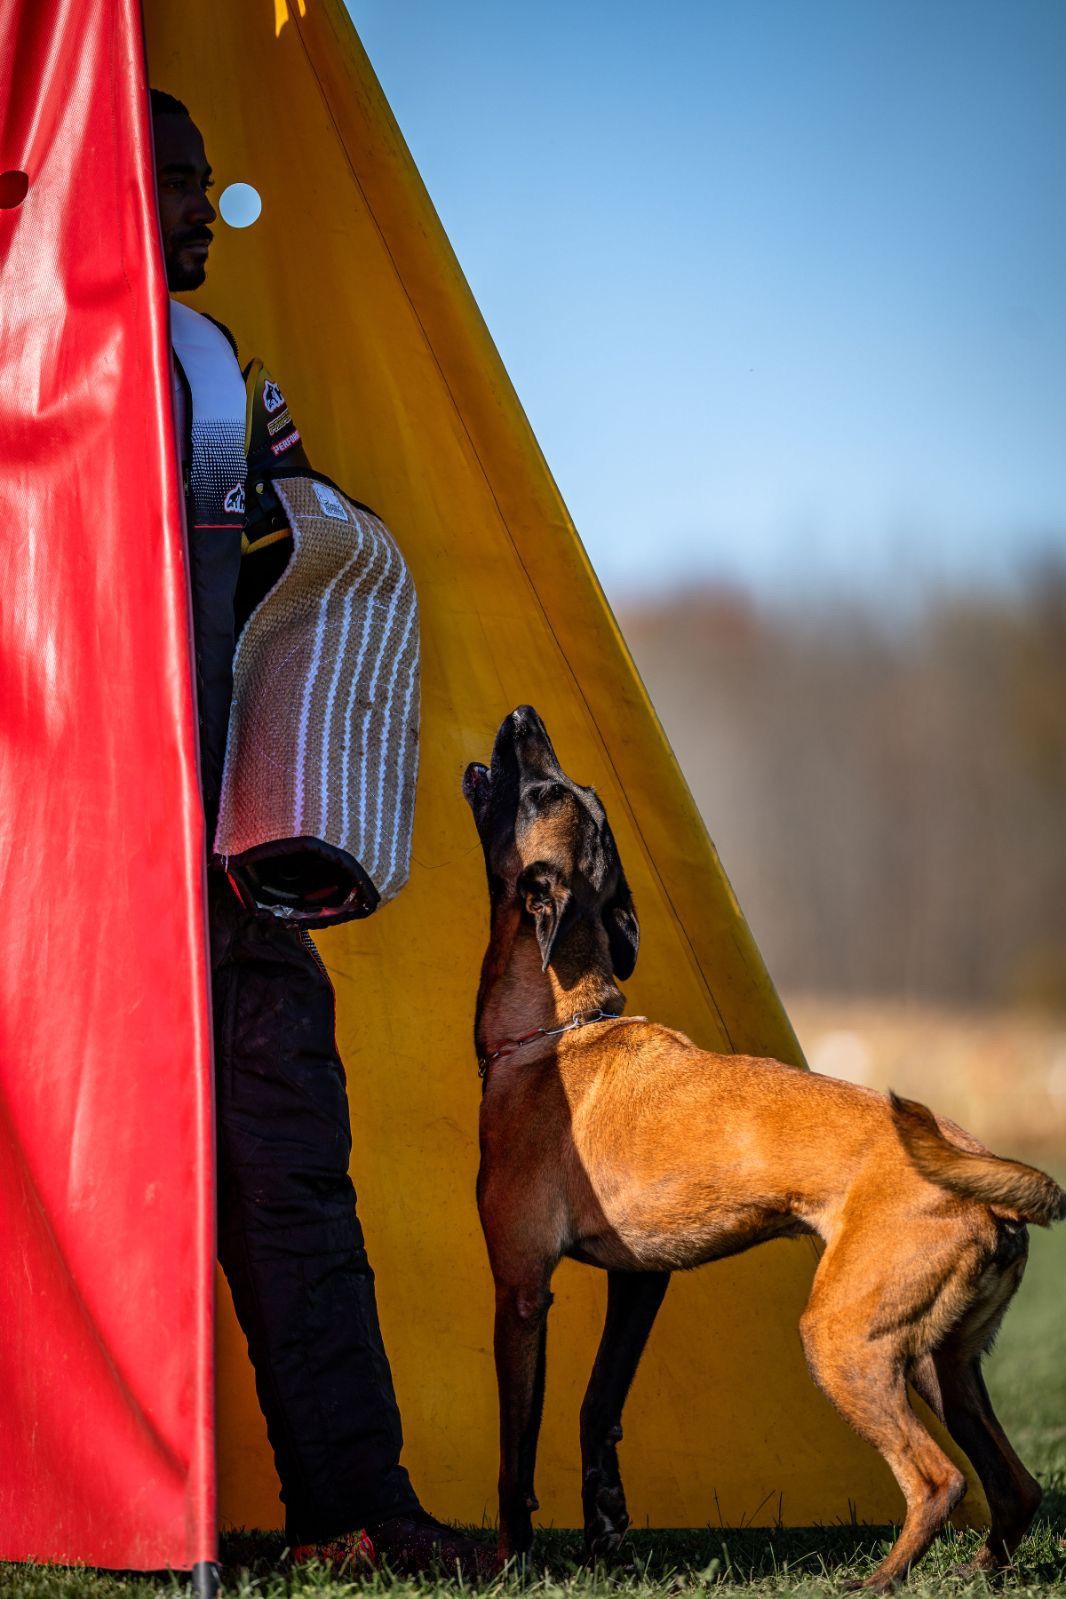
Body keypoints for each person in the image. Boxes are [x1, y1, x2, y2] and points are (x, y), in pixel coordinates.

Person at [151, 88, 484, 1576]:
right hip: (63, 867)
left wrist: (329, 534)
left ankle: (353, 1512)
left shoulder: (221, 368)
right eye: (170, 187)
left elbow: (299, 521)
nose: (199, 216)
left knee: (287, 1165)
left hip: (225, 853)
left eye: (206, 187)